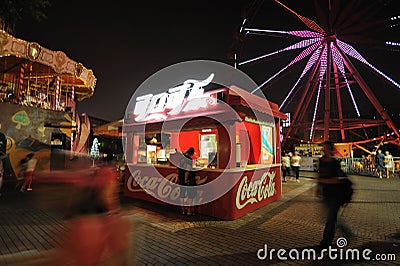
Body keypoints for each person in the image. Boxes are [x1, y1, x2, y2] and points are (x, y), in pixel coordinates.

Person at [317, 141, 353, 249]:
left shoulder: (334, 163)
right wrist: (318, 187)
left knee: (330, 219)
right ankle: (345, 231)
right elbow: (319, 174)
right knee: (331, 218)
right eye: (323, 148)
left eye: (326, 148)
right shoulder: (321, 161)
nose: (324, 150)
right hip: (326, 193)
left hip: (335, 194)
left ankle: (326, 243)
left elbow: (338, 179)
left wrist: (323, 181)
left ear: (331, 150)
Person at [178, 147, 196, 216]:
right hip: (187, 180)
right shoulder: (189, 160)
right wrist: (186, 180)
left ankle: (183, 210)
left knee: (182, 195)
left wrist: (179, 178)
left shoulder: (181, 159)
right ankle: (188, 211)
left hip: (181, 179)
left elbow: (178, 169)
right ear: (192, 153)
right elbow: (187, 170)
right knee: (190, 196)